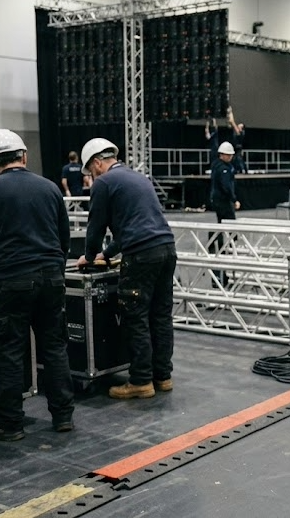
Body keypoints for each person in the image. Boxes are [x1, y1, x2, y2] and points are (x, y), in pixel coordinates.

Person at [0, 129, 74, 440]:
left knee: (11, 351)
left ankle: (11, 423)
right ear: (24, 156)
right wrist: (53, 268)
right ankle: (63, 416)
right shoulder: (50, 188)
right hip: (52, 278)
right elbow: (63, 238)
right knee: (55, 347)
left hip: (13, 280)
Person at [76, 138, 178, 399]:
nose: (92, 176)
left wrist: (88, 256)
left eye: (91, 170)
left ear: (98, 162)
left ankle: (141, 381)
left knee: (136, 315)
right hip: (166, 248)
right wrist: (107, 254)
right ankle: (162, 376)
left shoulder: (104, 183)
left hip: (142, 255)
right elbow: (129, 230)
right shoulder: (139, 178)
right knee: (161, 315)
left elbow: (95, 226)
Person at [210, 141, 240, 222]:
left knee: (221, 222)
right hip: (224, 200)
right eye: (228, 155)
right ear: (222, 154)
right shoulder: (224, 169)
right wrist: (234, 199)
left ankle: (215, 235)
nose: (230, 157)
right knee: (231, 223)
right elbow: (226, 186)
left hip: (216, 199)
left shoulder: (215, 165)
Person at [226, 106, 247, 174]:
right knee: (234, 159)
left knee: (239, 159)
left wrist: (230, 112)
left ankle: (243, 170)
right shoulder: (237, 131)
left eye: (240, 126)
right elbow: (231, 122)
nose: (238, 126)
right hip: (235, 147)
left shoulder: (240, 132)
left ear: (242, 128)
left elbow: (232, 122)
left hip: (238, 148)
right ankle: (237, 170)